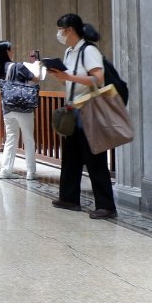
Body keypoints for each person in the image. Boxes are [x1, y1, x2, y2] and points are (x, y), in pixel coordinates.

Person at [47, 14, 117, 218]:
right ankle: (69, 198)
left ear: (69, 30)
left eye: (60, 29)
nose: (59, 33)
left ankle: (106, 206)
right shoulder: (69, 52)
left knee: (95, 158)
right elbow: (71, 81)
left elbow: (98, 79)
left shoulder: (89, 50)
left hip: (90, 110)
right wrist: (61, 77)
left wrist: (68, 76)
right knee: (71, 157)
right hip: (73, 110)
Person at [0, 41, 39, 180]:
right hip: (23, 107)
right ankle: (31, 172)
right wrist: (37, 66)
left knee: (11, 138)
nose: (13, 51)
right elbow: (36, 79)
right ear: (7, 51)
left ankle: (5, 171)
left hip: (7, 108)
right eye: (11, 49)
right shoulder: (18, 66)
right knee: (28, 138)